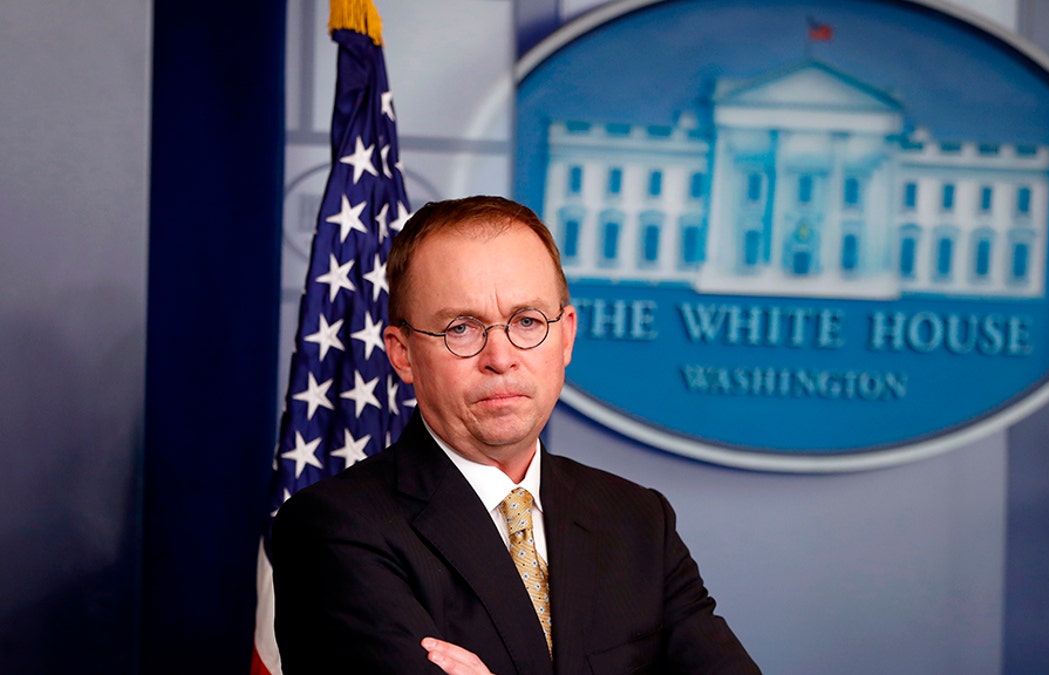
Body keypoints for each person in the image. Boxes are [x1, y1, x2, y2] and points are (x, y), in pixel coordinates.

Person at [272, 196, 760, 674]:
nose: (501, 357)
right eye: (461, 328)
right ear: (402, 354)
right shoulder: (334, 530)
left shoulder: (638, 521)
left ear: (565, 336)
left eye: (527, 321)